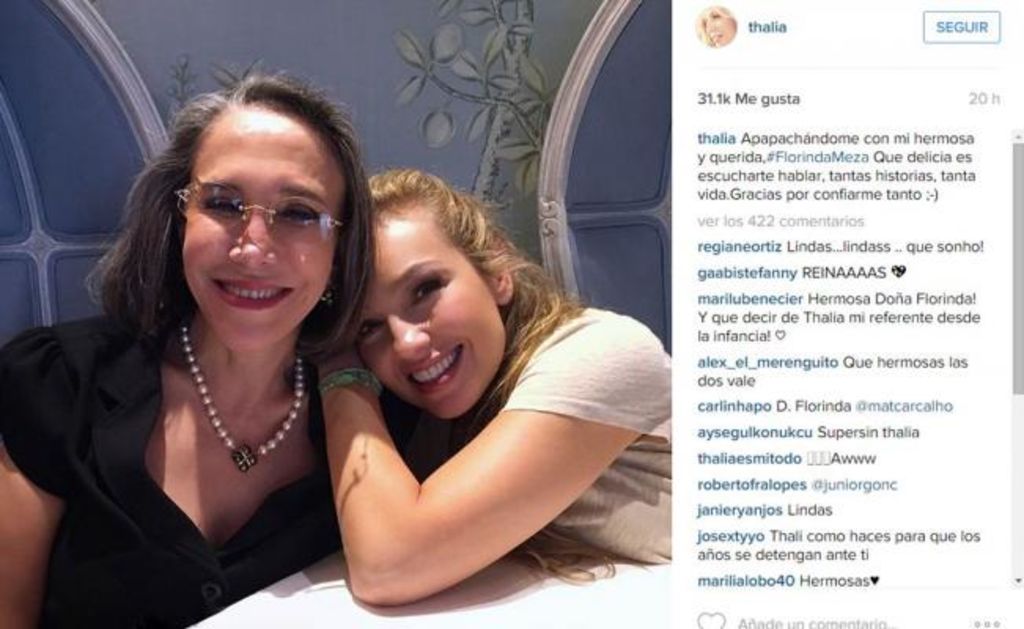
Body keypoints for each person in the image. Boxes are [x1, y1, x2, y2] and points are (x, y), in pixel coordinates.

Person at [0, 73, 373, 628]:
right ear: (179, 223)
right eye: (223, 203)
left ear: (340, 251)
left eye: (298, 212)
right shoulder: (59, 383)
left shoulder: (374, 424)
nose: (253, 249)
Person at [319, 169, 671, 605]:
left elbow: (389, 565)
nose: (406, 344)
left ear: (497, 270)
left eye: (425, 289)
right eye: (367, 327)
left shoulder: (604, 351)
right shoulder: (438, 422)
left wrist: (338, 368)